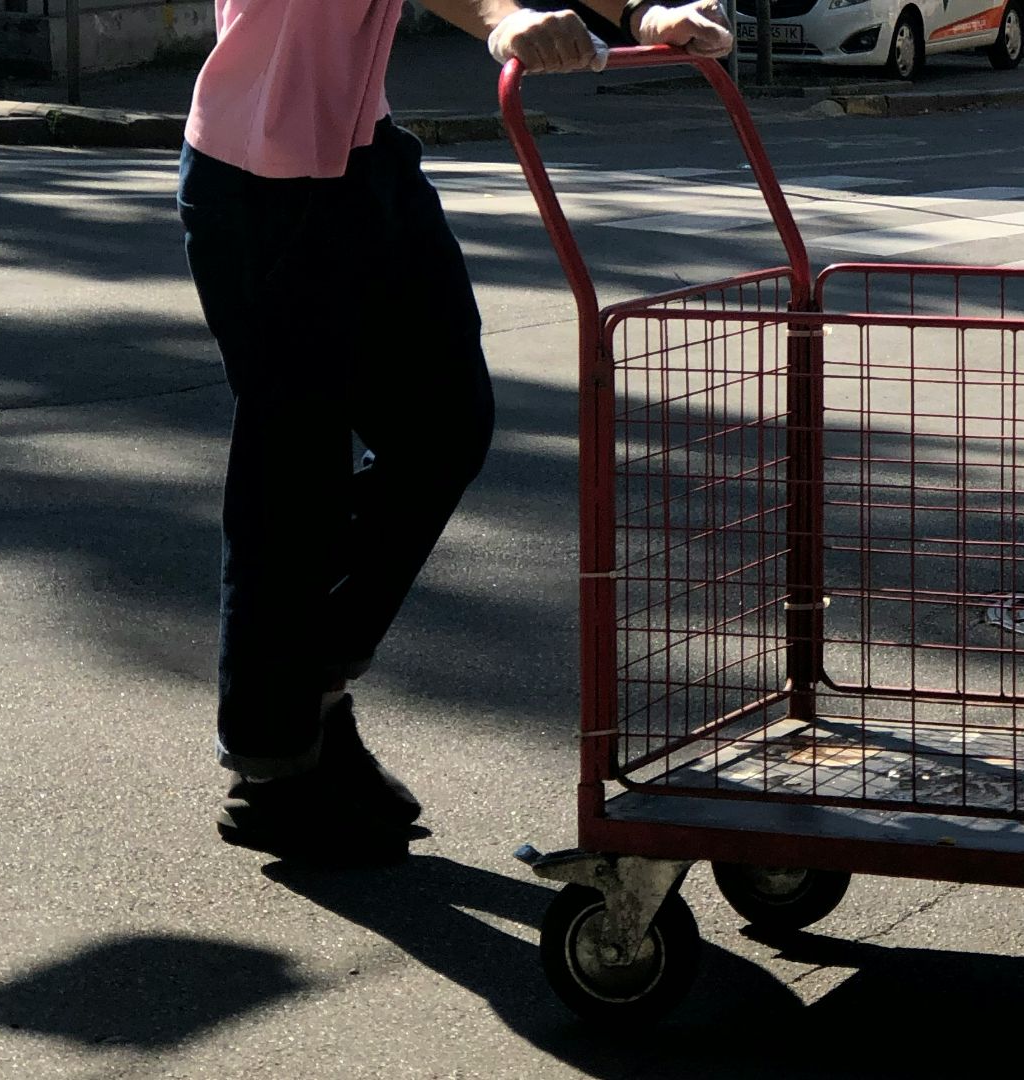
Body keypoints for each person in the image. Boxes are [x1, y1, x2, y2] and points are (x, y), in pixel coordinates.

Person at [177, 0, 731, 860]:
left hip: (365, 163)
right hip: (261, 184)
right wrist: (503, 18)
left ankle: (299, 690)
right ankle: (276, 764)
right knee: (296, 475)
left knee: (445, 427)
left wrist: (638, 11)